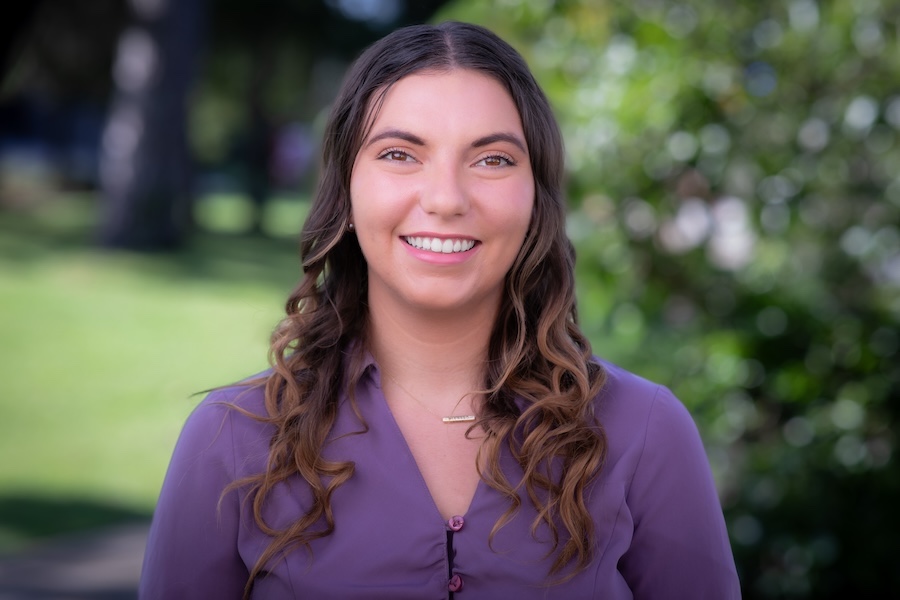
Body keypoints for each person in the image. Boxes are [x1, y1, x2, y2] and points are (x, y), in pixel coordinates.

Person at [140, 21, 740, 599]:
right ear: (346, 188)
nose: (446, 199)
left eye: (492, 159)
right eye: (400, 154)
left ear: (538, 197)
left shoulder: (644, 434)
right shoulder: (232, 441)